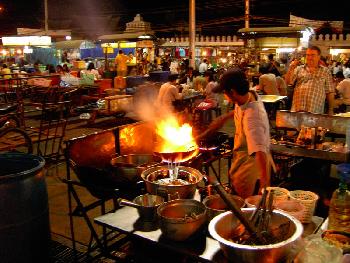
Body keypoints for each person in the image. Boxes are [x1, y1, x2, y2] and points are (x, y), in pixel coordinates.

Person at [198, 68, 272, 198]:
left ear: (232, 92)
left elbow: (260, 151)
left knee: (241, 204)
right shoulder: (248, 94)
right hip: (241, 157)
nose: (224, 96)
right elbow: (241, 108)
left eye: (224, 93)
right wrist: (224, 118)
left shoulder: (253, 118)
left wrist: (264, 185)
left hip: (251, 165)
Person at [285, 45, 335, 115]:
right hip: (298, 108)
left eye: (312, 55)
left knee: (313, 126)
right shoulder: (299, 69)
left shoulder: (325, 71)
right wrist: (291, 68)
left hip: (315, 109)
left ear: (319, 56)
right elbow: (288, 82)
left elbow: (330, 92)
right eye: (308, 55)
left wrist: (330, 109)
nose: (309, 57)